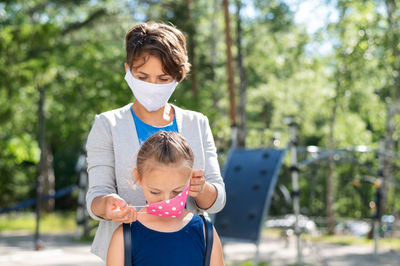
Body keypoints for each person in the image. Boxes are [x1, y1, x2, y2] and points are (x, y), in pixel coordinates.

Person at [85, 21, 226, 261]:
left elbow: (217, 199)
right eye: (142, 76)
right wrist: (107, 204)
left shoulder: (197, 123)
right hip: (129, 252)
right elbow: (97, 195)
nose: (152, 86)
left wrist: (202, 190)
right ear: (127, 70)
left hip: (187, 250)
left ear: (178, 76)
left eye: (163, 78)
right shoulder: (107, 125)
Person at [106, 131, 225, 266]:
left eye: (177, 191)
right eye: (155, 192)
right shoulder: (124, 237)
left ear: (190, 180)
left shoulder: (205, 232)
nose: (166, 200)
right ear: (138, 177)